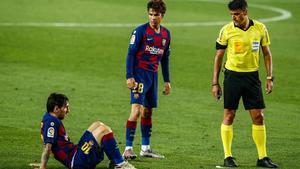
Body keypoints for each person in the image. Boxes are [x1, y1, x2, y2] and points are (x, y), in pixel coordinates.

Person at [211, 0, 278, 168]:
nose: (234, 17)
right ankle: (228, 157)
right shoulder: (226, 30)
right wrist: (215, 83)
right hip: (232, 76)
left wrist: (270, 77)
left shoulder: (260, 28)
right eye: (232, 14)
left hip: (252, 78)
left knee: (258, 117)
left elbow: (267, 54)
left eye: (237, 14)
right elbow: (219, 56)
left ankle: (262, 157)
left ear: (245, 13)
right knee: (229, 115)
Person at [123, 0, 171, 160]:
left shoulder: (166, 34)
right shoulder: (140, 32)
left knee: (148, 111)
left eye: (156, 15)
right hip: (139, 75)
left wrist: (167, 81)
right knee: (136, 111)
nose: (152, 18)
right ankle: (128, 148)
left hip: (153, 76)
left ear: (162, 15)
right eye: (150, 14)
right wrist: (129, 76)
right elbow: (130, 54)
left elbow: (165, 59)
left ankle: (145, 148)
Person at [38, 93, 136, 169]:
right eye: (66, 107)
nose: (68, 110)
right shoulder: (52, 122)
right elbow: (48, 146)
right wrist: (42, 166)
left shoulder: (47, 117)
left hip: (75, 153)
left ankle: (115, 161)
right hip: (77, 161)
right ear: (56, 109)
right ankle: (120, 164)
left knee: (97, 124)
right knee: (103, 130)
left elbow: (45, 140)